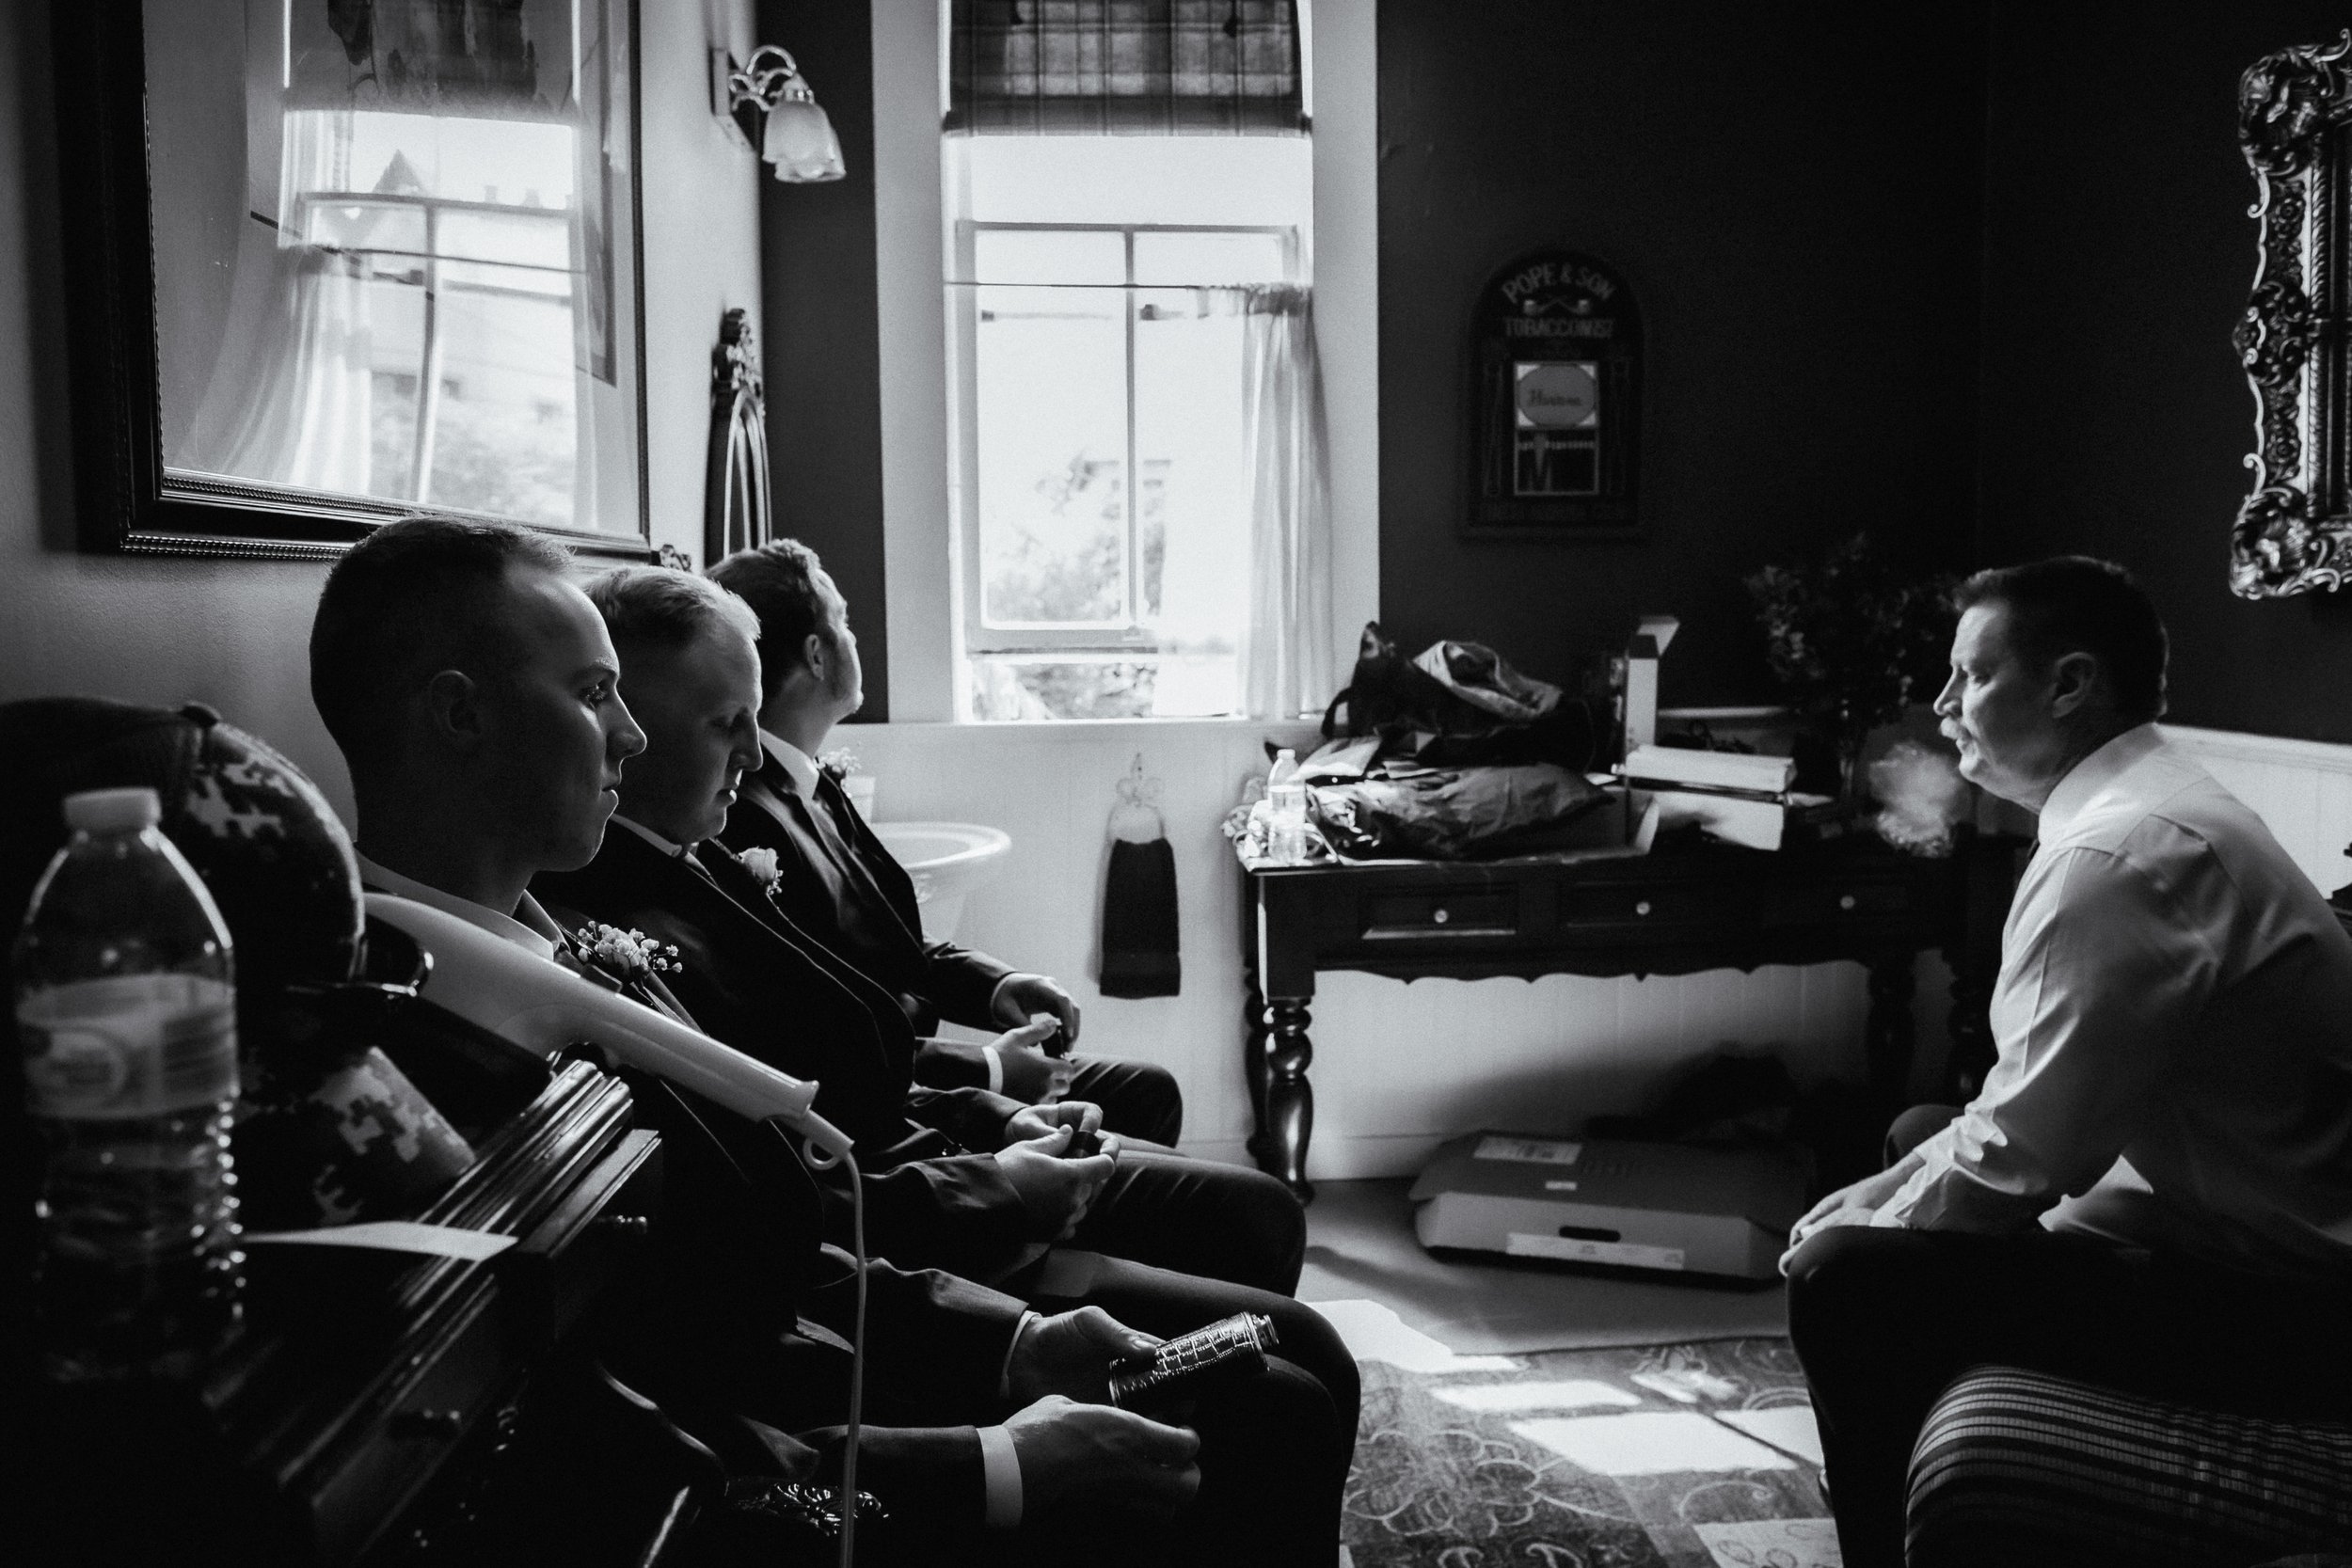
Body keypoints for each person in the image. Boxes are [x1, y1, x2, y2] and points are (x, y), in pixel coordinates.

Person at [308, 516, 1348, 1564]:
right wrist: (996, 1464)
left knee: (1275, 1380)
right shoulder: (398, 1066)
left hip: (859, 1348)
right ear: (458, 715)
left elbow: (771, 1240)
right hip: (811, 1477)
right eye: (591, 693)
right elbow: (615, 1445)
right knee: (1272, 1404)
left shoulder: (572, 950)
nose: (629, 733)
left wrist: (1016, 1342)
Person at [536, 566, 1355, 1438]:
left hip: (932, 1184)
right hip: (908, 1253)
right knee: (1290, 1368)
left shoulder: (698, 853)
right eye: (724, 722)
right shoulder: (624, 920)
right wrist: (1000, 1179)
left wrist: (1001, 1115)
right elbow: (780, 1202)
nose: (752, 748)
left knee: (1284, 1304)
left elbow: (874, 996)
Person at [1782, 557, 2352, 1568]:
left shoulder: (2116, 855)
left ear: (2070, 684)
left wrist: (1862, 1216)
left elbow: (2020, 1162)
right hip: (2222, 1218)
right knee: (1911, 1138)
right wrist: (1888, 1181)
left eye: (1972, 676)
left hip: (2298, 1311)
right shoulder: (2151, 798)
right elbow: (2026, 1107)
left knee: (1842, 1276)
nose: (1945, 704)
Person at [706, 539, 1184, 1146]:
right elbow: (813, 1029)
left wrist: (997, 986)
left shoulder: (808, 779)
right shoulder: (746, 819)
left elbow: (887, 942)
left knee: (1150, 1088)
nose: (857, 639)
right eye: (845, 622)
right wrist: (988, 1069)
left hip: (916, 1064)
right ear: (817, 654)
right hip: (889, 1105)